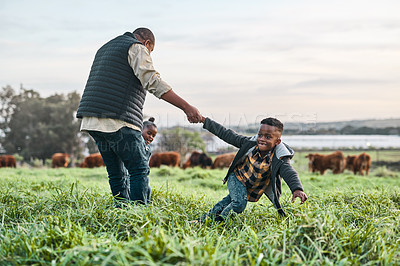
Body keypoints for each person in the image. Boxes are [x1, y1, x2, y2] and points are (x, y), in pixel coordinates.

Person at [76, 28, 202, 205]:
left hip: (91, 120)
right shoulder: (137, 47)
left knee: (116, 173)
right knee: (139, 169)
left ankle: (123, 212)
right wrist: (186, 107)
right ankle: (139, 215)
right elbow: (152, 81)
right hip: (118, 119)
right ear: (148, 44)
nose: (148, 54)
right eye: (150, 52)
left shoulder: (106, 48)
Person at [198, 116, 308, 222]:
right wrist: (204, 120)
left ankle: (206, 218)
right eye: (260, 135)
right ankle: (220, 221)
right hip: (237, 177)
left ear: (277, 141)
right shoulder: (249, 143)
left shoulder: (280, 157)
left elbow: (289, 172)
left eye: (268, 137)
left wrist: (297, 189)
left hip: (251, 185)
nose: (262, 139)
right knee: (239, 204)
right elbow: (227, 134)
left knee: (230, 200)